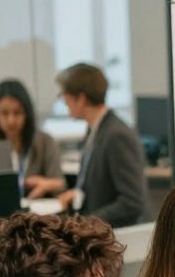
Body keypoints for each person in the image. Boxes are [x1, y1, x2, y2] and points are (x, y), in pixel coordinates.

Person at [56, 62, 147, 227]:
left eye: (65, 96)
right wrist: (77, 194)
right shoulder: (95, 130)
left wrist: (84, 222)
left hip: (115, 239)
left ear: (81, 99)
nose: (64, 102)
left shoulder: (116, 135)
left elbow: (132, 202)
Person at [0, 79, 64, 198]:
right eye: (4, 113)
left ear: (27, 113)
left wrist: (45, 184)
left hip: (36, 212)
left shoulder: (44, 141)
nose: (11, 120)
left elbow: (60, 183)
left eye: (17, 113)